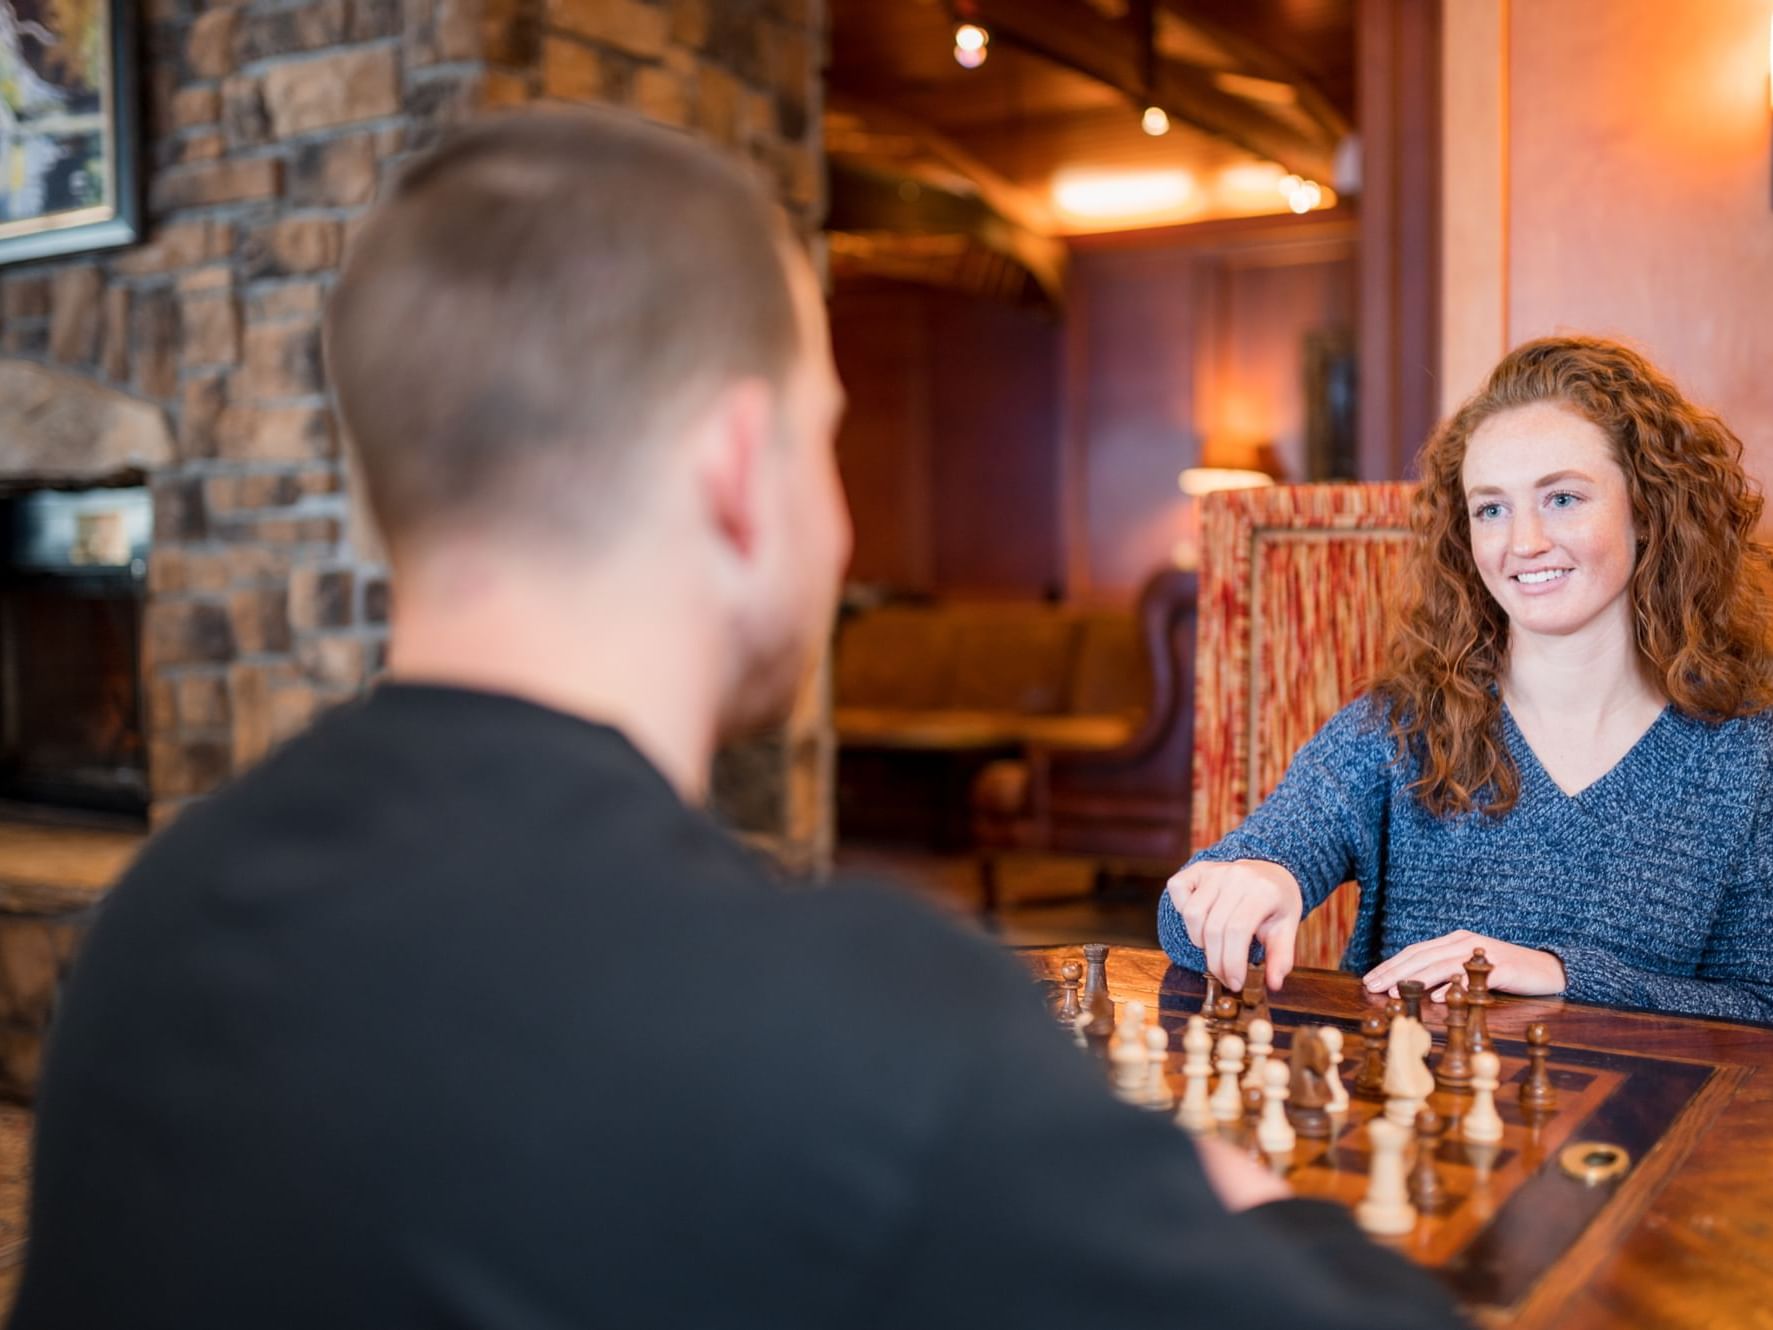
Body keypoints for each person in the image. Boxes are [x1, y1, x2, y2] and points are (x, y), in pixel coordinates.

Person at [10, 111, 1461, 1329]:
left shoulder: (155, 921)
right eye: (827, 434)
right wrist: (1241, 1199)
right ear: (736, 466)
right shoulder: (853, 1020)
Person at [1161, 335, 1773, 1025]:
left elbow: (1757, 1008)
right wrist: (1253, 881)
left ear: (1648, 507)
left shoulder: (1747, 750)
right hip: (1417, 1123)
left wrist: (1557, 975)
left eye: (1563, 498)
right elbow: (1187, 914)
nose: (1523, 542)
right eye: (1490, 508)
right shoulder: (1401, 725)